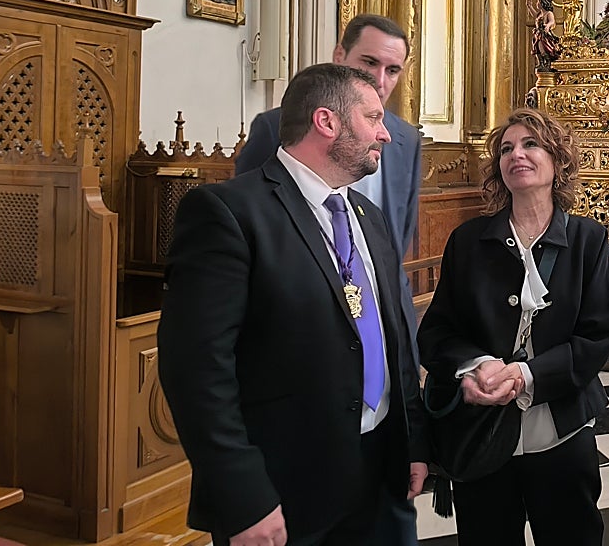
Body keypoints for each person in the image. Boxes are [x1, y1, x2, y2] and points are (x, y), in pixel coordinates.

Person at [158, 64, 429, 545]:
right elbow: (197, 369)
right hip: (284, 484)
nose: (385, 134)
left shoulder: (368, 217)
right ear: (328, 122)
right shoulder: (230, 213)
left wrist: (412, 441)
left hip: (378, 469)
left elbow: (393, 338)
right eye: (373, 118)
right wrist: (242, 496)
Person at [234, 13, 424, 544]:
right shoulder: (276, 129)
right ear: (340, 57)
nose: (383, 79)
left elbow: (397, 242)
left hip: (379, 384)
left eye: (393, 69)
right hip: (300, 400)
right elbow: (257, 234)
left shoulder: (403, 140)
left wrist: (413, 429)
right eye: (370, 63)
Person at [416, 108, 609, 546]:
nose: (517, 155)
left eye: (531, 144)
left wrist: (529, 375)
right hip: (482, 431)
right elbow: (436, 333)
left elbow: (597, 335)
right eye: (506, 148)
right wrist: (475, 367)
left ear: (558, 160)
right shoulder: (469, 241)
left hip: (562, 430)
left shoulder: (589, 240)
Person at [532, 0, 562, 69]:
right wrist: (529, 6)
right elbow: (534, 15)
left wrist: (548, 25)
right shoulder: (540, 14)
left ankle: (548, 63)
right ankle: (541, 63)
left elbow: (552, 21)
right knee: (537, 49)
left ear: (543, 2)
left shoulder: (549, 13)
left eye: (538, 2)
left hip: (544, 35)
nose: (537, 4)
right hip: (538, 34)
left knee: (544, 48)